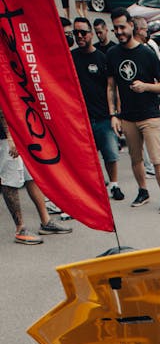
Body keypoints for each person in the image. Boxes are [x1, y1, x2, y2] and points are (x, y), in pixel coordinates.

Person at [107, 7, 160, 213]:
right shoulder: (112, 54)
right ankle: (143, 191)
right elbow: (111, 87)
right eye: (115, 28)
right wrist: (114, 114)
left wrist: (145, 86)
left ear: (131, 26)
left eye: (122, 27)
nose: (119, 32)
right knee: (135, 160)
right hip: (127, 117)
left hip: (150, 114)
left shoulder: (146, 53)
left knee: (157, 159)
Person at [0, 109, 73, 244]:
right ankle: (20, 228)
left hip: (21, 129)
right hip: (5, 136)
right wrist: (10, 136)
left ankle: (46, 221)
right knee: (10, 179)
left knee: (31, 175)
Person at [71, 17, 124, 200]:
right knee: (86, 158)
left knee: (110, 154)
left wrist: (115, 114)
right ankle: (93, 189)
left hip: (103, 116)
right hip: (81, 119)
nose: (79, 36)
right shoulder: (71, 58)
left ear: (91, 34)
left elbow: (113, 87)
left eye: (83, 32)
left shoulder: (102, 58)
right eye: (76, 33)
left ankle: (114, 185)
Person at [133, 17, 160, 167]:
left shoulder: (150, 47)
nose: (147, 32)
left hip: (152, 95)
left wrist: (151, 89)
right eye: (145, 29)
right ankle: (150, 162)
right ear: (138, 30)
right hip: (137, 102)